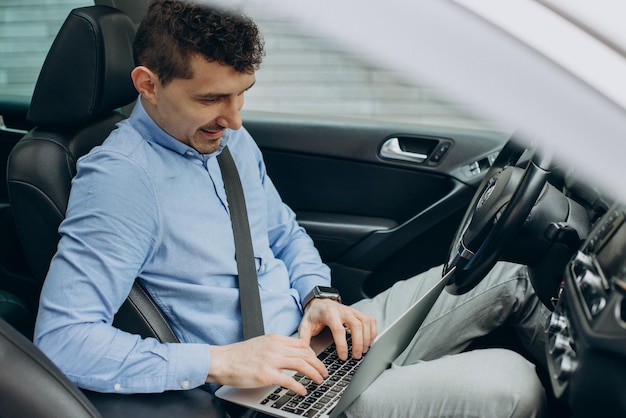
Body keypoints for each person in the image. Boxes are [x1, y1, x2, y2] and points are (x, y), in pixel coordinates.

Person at [34, 1, 550, 417]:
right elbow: (63, 341)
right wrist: (223, 362)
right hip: (274, 395)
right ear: (147, 84)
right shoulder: (120, 180)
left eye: (243, 95)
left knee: (508, 276)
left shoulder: (227, 141)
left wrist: (318, 294)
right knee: (511, 383)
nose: (234, 120)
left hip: (317, 342)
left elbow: (282, 232)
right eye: (213, 98)